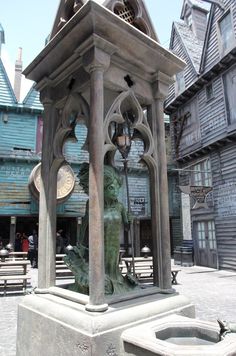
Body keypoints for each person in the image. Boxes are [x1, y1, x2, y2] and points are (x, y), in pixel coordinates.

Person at [64, 163, 137, 295]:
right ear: (102, 189)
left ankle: (115, 283)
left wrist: (129, 220)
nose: (115, 192)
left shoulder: (120, 207)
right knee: (100, 268)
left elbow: (126, 227)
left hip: (114, 247)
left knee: (112, 267)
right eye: (111, 188)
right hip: (98, 246)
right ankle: (101, 283)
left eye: (117, 188)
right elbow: (85, 225)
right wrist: (80, 244)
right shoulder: (92, 204)